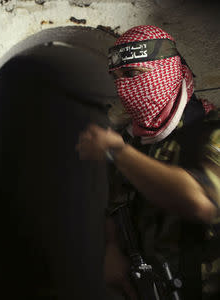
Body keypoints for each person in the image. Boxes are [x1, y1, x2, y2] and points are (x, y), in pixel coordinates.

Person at [76, 25, 219, 299]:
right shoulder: (132, 142)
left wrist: (117, 152)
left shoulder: (212, 133)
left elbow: (200, 202)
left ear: (168, 71)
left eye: (132, 74)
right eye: (116, 77)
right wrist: (113, 248)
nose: (123, 87)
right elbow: (118, 202)